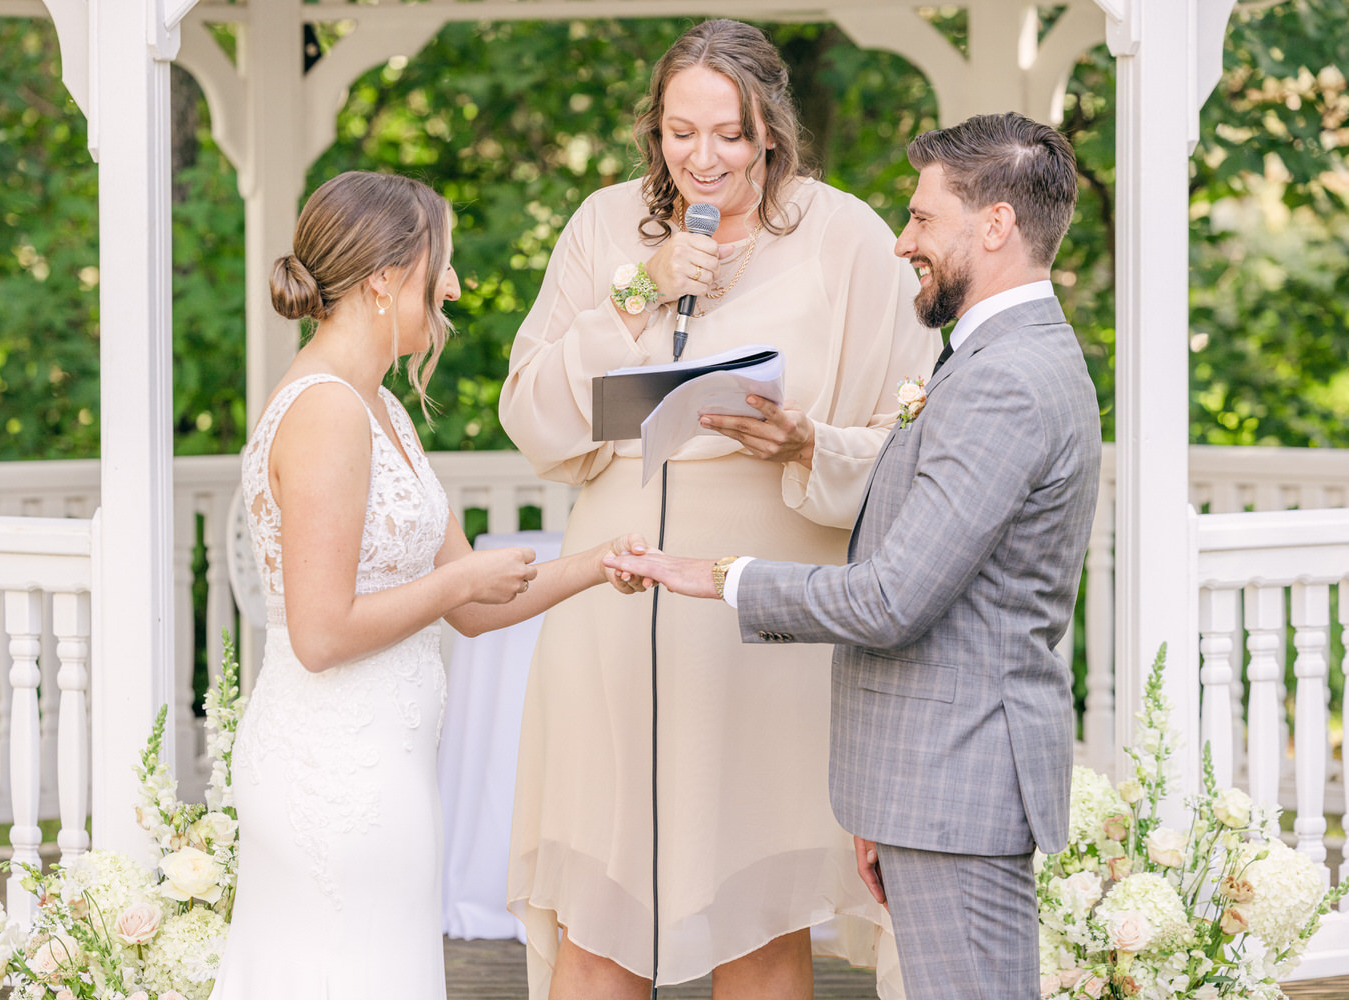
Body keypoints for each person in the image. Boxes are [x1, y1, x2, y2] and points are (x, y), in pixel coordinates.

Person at [604, 112, 1101, 1000]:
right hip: (926, 784)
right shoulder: (990, 357)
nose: (903, 239)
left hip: (959, 784)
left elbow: (892, 600)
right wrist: (879, 807)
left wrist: (718, 575)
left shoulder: (1005, 379)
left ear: (994, 227)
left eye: (921, 218)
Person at [498, 19, 937, 1000]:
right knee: (600, 915)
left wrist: (806, 444)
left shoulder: (847, 236)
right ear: (653, 130)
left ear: (771, 131)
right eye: (679, 133)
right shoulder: (604, 225)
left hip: (761, 617)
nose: (703, 159)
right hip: (611, 601)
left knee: (758, 916)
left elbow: (911, 436)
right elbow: (531, 417)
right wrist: (632, 298)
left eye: (729, 136)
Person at [209, 171, 649, 1000]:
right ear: (383, 277)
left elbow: (481, 606)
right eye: (436, 264)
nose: (452, 284)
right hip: (332, 776)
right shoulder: (326, 411)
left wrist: (602, 562)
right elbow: (322, 633)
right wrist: (458, 584)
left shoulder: (383, 410)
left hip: (389, 766)